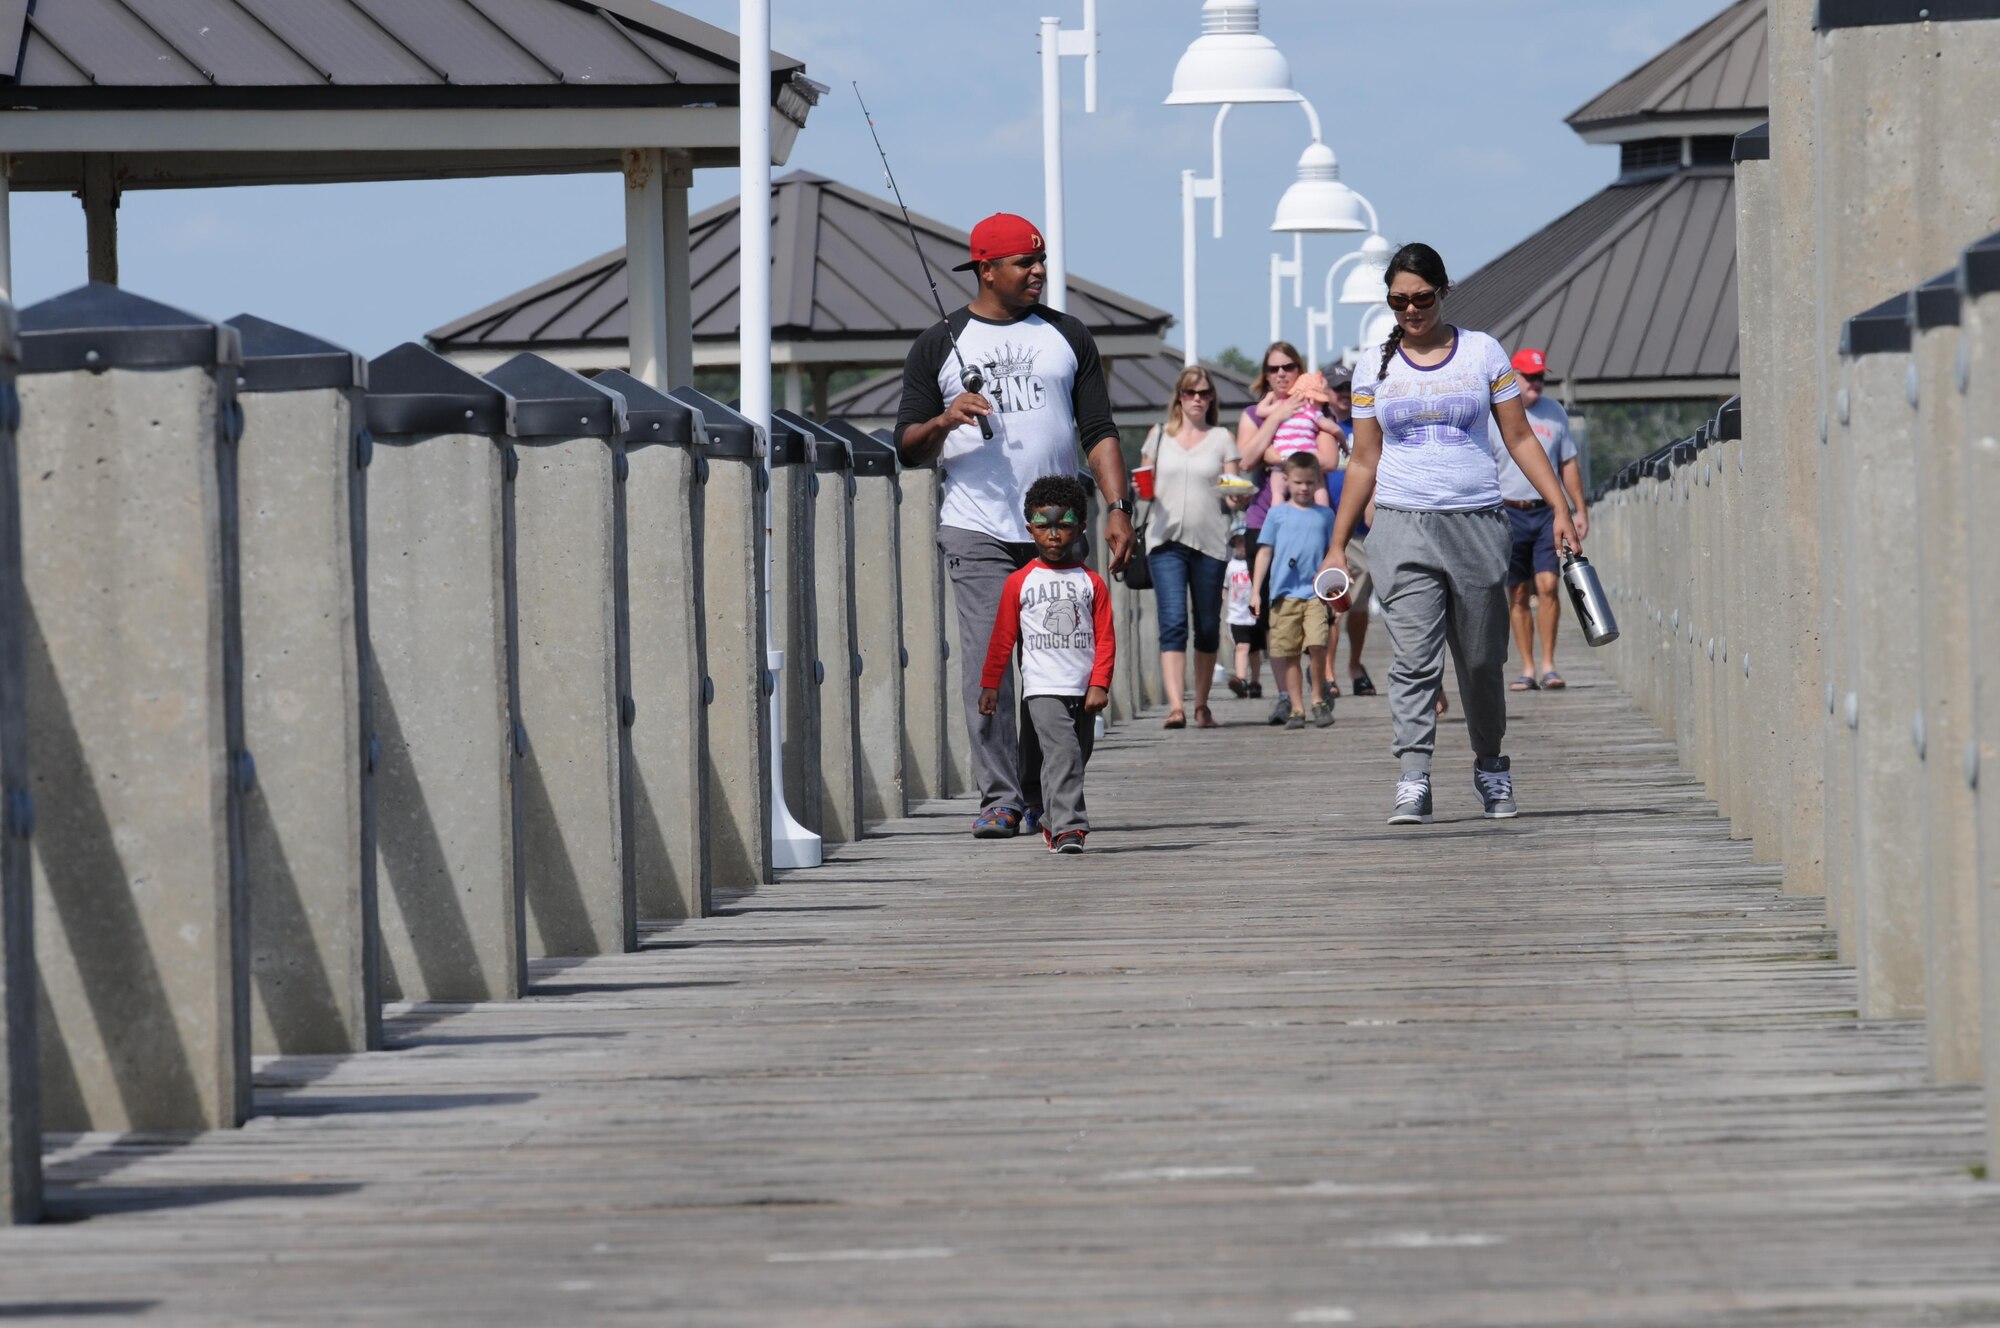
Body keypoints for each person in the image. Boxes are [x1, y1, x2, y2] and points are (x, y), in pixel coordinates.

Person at [1317, 242, 1580, 824]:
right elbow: (1363, 459)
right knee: (1413, 658)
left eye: (1422, 298)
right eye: (1398, 301)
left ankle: (1491, 767)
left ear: (1443, 291)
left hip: (1478, 520)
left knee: (1483, 660)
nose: (1411, 310)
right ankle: (1414, 775)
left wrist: (1559, 506)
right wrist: (1336, 545)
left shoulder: (1482, 352)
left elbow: (1518, 439)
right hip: (1401, 522)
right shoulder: (1372, 365)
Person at [895, 212, 1132, 840]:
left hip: (1056, 531)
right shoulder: (937, 344)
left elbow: (1099, 431)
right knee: (991, 668)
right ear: (986, 269)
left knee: (1061, 668)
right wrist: (946, 421)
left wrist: (1119, 507)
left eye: (1040, 260)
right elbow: (907, 447)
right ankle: (999, 798)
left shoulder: (1068, 335)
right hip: (977, 530)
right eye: (1024, 263)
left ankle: (1040, 791)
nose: (1038, 272)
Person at [978, 475, 1115, 854]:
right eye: (1043, 526)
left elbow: (1105, 638)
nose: (1053, 535)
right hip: (1042, 688)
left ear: (1081, 528)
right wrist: (990, 685)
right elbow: (1002, 638)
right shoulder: (1020, 582)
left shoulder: (1092, 583)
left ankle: (1051, 820)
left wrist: (1100, 683)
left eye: (1064, 525)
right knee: (1064, 754)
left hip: (1083, 687)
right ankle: (1071, 828)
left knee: (1075, 757)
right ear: (1029, 529)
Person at [1237, 341, 1339, 724]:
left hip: (1309, 524)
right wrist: (1277, 419)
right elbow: (1247, 458)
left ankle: (1316, 690)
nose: (1281, 374)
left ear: (1300, 370)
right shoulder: (1255, 413)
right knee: (1271, 614)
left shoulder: (1316, 406)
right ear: (1265, 374)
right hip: (1265, 521)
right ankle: (1286, 695)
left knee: (1316, 611)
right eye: (1273, 368)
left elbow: (1328, 459)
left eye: (1289, 366)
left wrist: (1279, 458)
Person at [1139, 365, 1240, 730]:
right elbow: (1144, 480)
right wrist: (1140, 489)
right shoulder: (1158, 436)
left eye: (1204, 393)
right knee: (1173, 623)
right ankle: (1175, 707)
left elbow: (1232, 491)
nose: (1197, 399)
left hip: (1210, 541)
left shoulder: (1223, 438)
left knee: (1208, 625)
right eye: (1190, 392)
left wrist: (1238, 498)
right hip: (1165, 540)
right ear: (1179, 397)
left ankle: (1201, 705)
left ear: (1212, 398)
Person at [1486, 348, 1590, 692]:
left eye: (1540, 377)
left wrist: (1578, 508)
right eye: (1529, 377)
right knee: (1516, 592)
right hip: (1507, 511)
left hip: (1546, 511)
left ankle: (1549, 664)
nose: (1536, 383)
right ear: (1513, 377)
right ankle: (1527, 667)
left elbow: (1568, 464)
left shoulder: (1554, 412)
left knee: (1547, 585)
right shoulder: (1493, 415)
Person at [1251, 453, 1339, 730]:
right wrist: (1256, 592)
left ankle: (1318, 700)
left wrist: (1336, 591)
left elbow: (1332, 554)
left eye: (1310, 483)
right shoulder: (1277, 515)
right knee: (1288, 651)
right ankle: (1297, 708)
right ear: (1286, 481)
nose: (1304, 488)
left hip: (1315, 594)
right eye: (1299, 482)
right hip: (1283, 596)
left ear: (1318, 482)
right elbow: (1264, 552)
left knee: (1317, 644)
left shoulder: (1325, 515)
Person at [1323, 369, 1378, 698]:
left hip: (1363, 531)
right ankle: (1327, 670)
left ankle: (1354, 664)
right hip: (1328, 530)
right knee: (1331, 603)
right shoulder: (1318, 426)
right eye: (1338, 388)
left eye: (1349, 387)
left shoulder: (1367, 424)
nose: (1344, 393)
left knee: (1357, 607)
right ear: (1327, 393)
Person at [1224, 527, 1259, 698]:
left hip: (1255, 614)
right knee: (1242, 647)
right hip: (1236, 615)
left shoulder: (1256, 562)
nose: (1242, 545)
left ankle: (1255, 681)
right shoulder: (1230, 566)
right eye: (1238, 542)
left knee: (1255, 650)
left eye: (1245, 541)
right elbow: (1224, 588)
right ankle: (1241, 679)